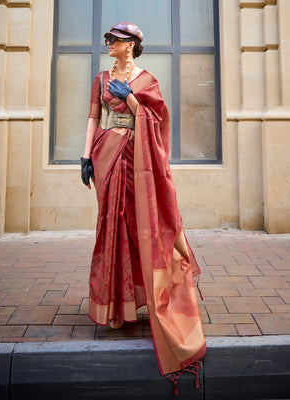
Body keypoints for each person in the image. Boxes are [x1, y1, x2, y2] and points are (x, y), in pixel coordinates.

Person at [81, 22, 206, 394]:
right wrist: (86, 156)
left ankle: (148, 299)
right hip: (107, 155)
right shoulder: (101, 77)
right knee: (111, 227)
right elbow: (92, 116)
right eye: (108, 40)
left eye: (114, 40)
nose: (108, 44)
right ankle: (116, 308)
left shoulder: (148, 79)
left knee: (142, 227)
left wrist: (133, 100)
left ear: (131, 45)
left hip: (139, 160)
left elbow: (158, 120)